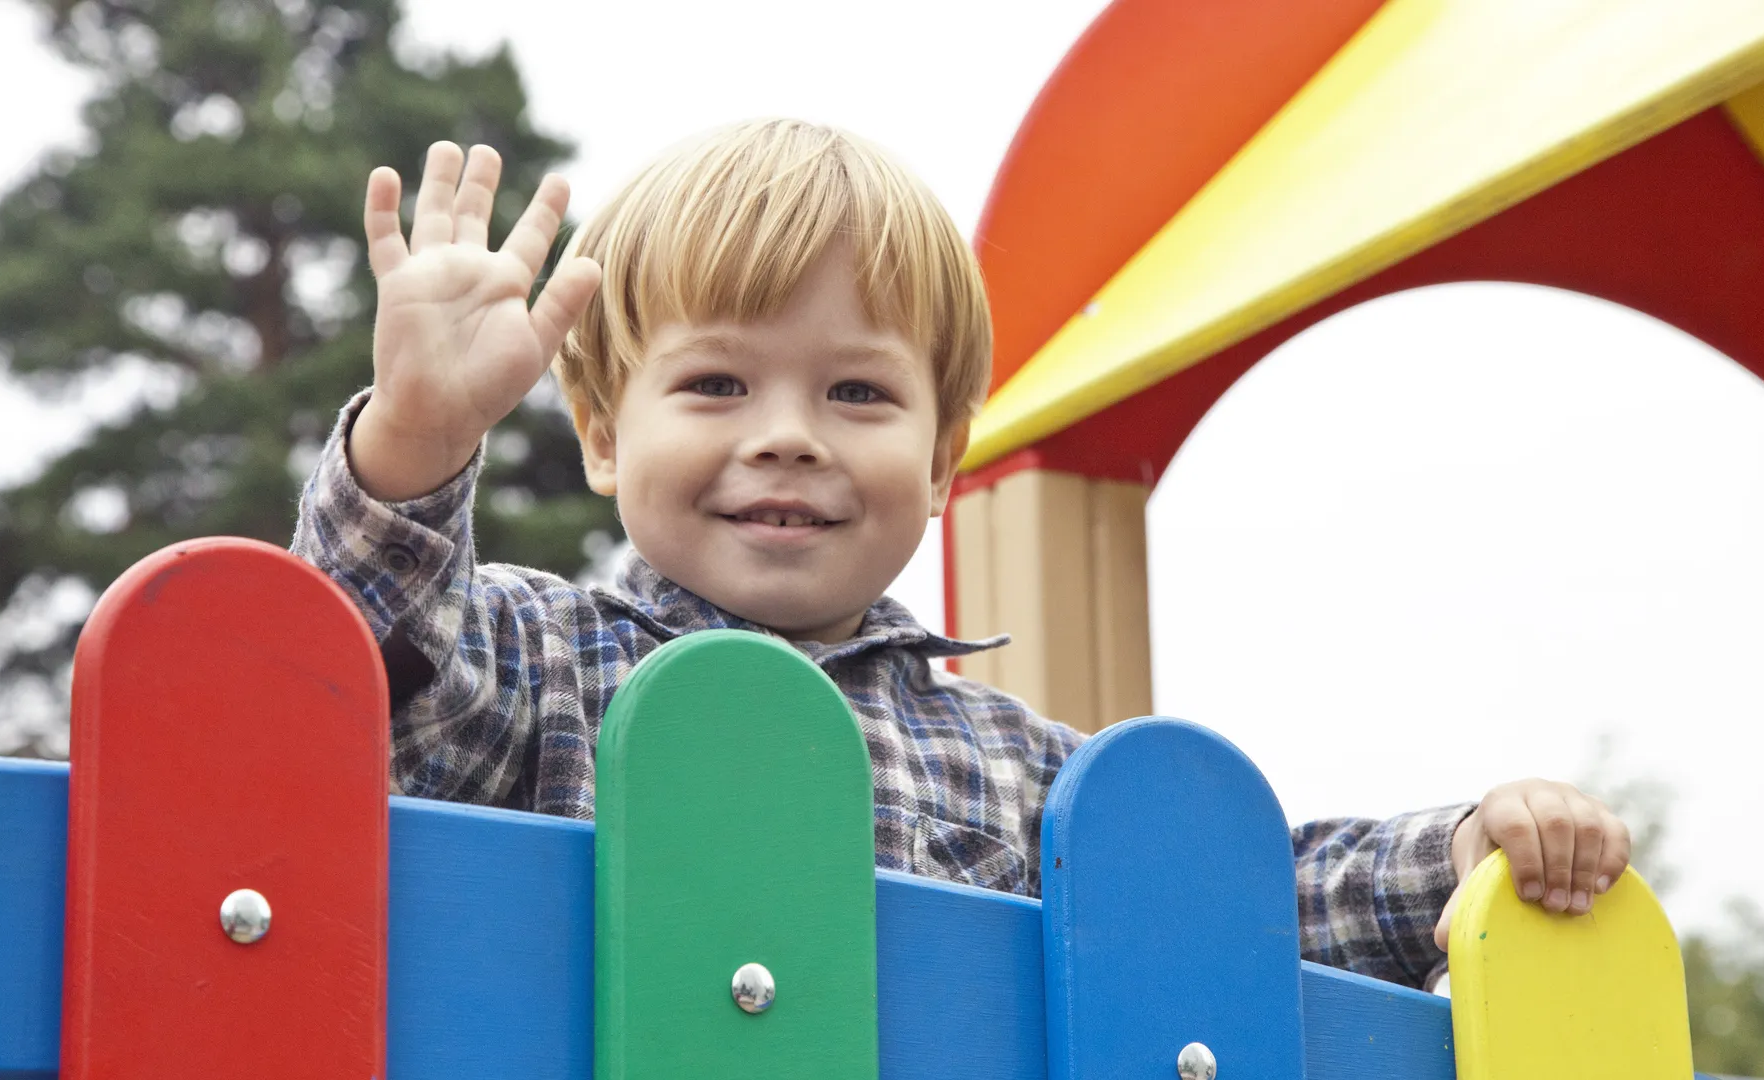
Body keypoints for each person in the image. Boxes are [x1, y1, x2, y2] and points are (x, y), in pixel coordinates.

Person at [290, 119, 1631, 990]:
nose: (789, 439)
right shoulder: (544, 661)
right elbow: (364, 677)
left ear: (941, 462)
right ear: (598, 431)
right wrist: (416, 436)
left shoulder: (1015, 766)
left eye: (858, 397)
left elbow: (1227, 904)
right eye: (715, 386)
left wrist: (1460, 848)